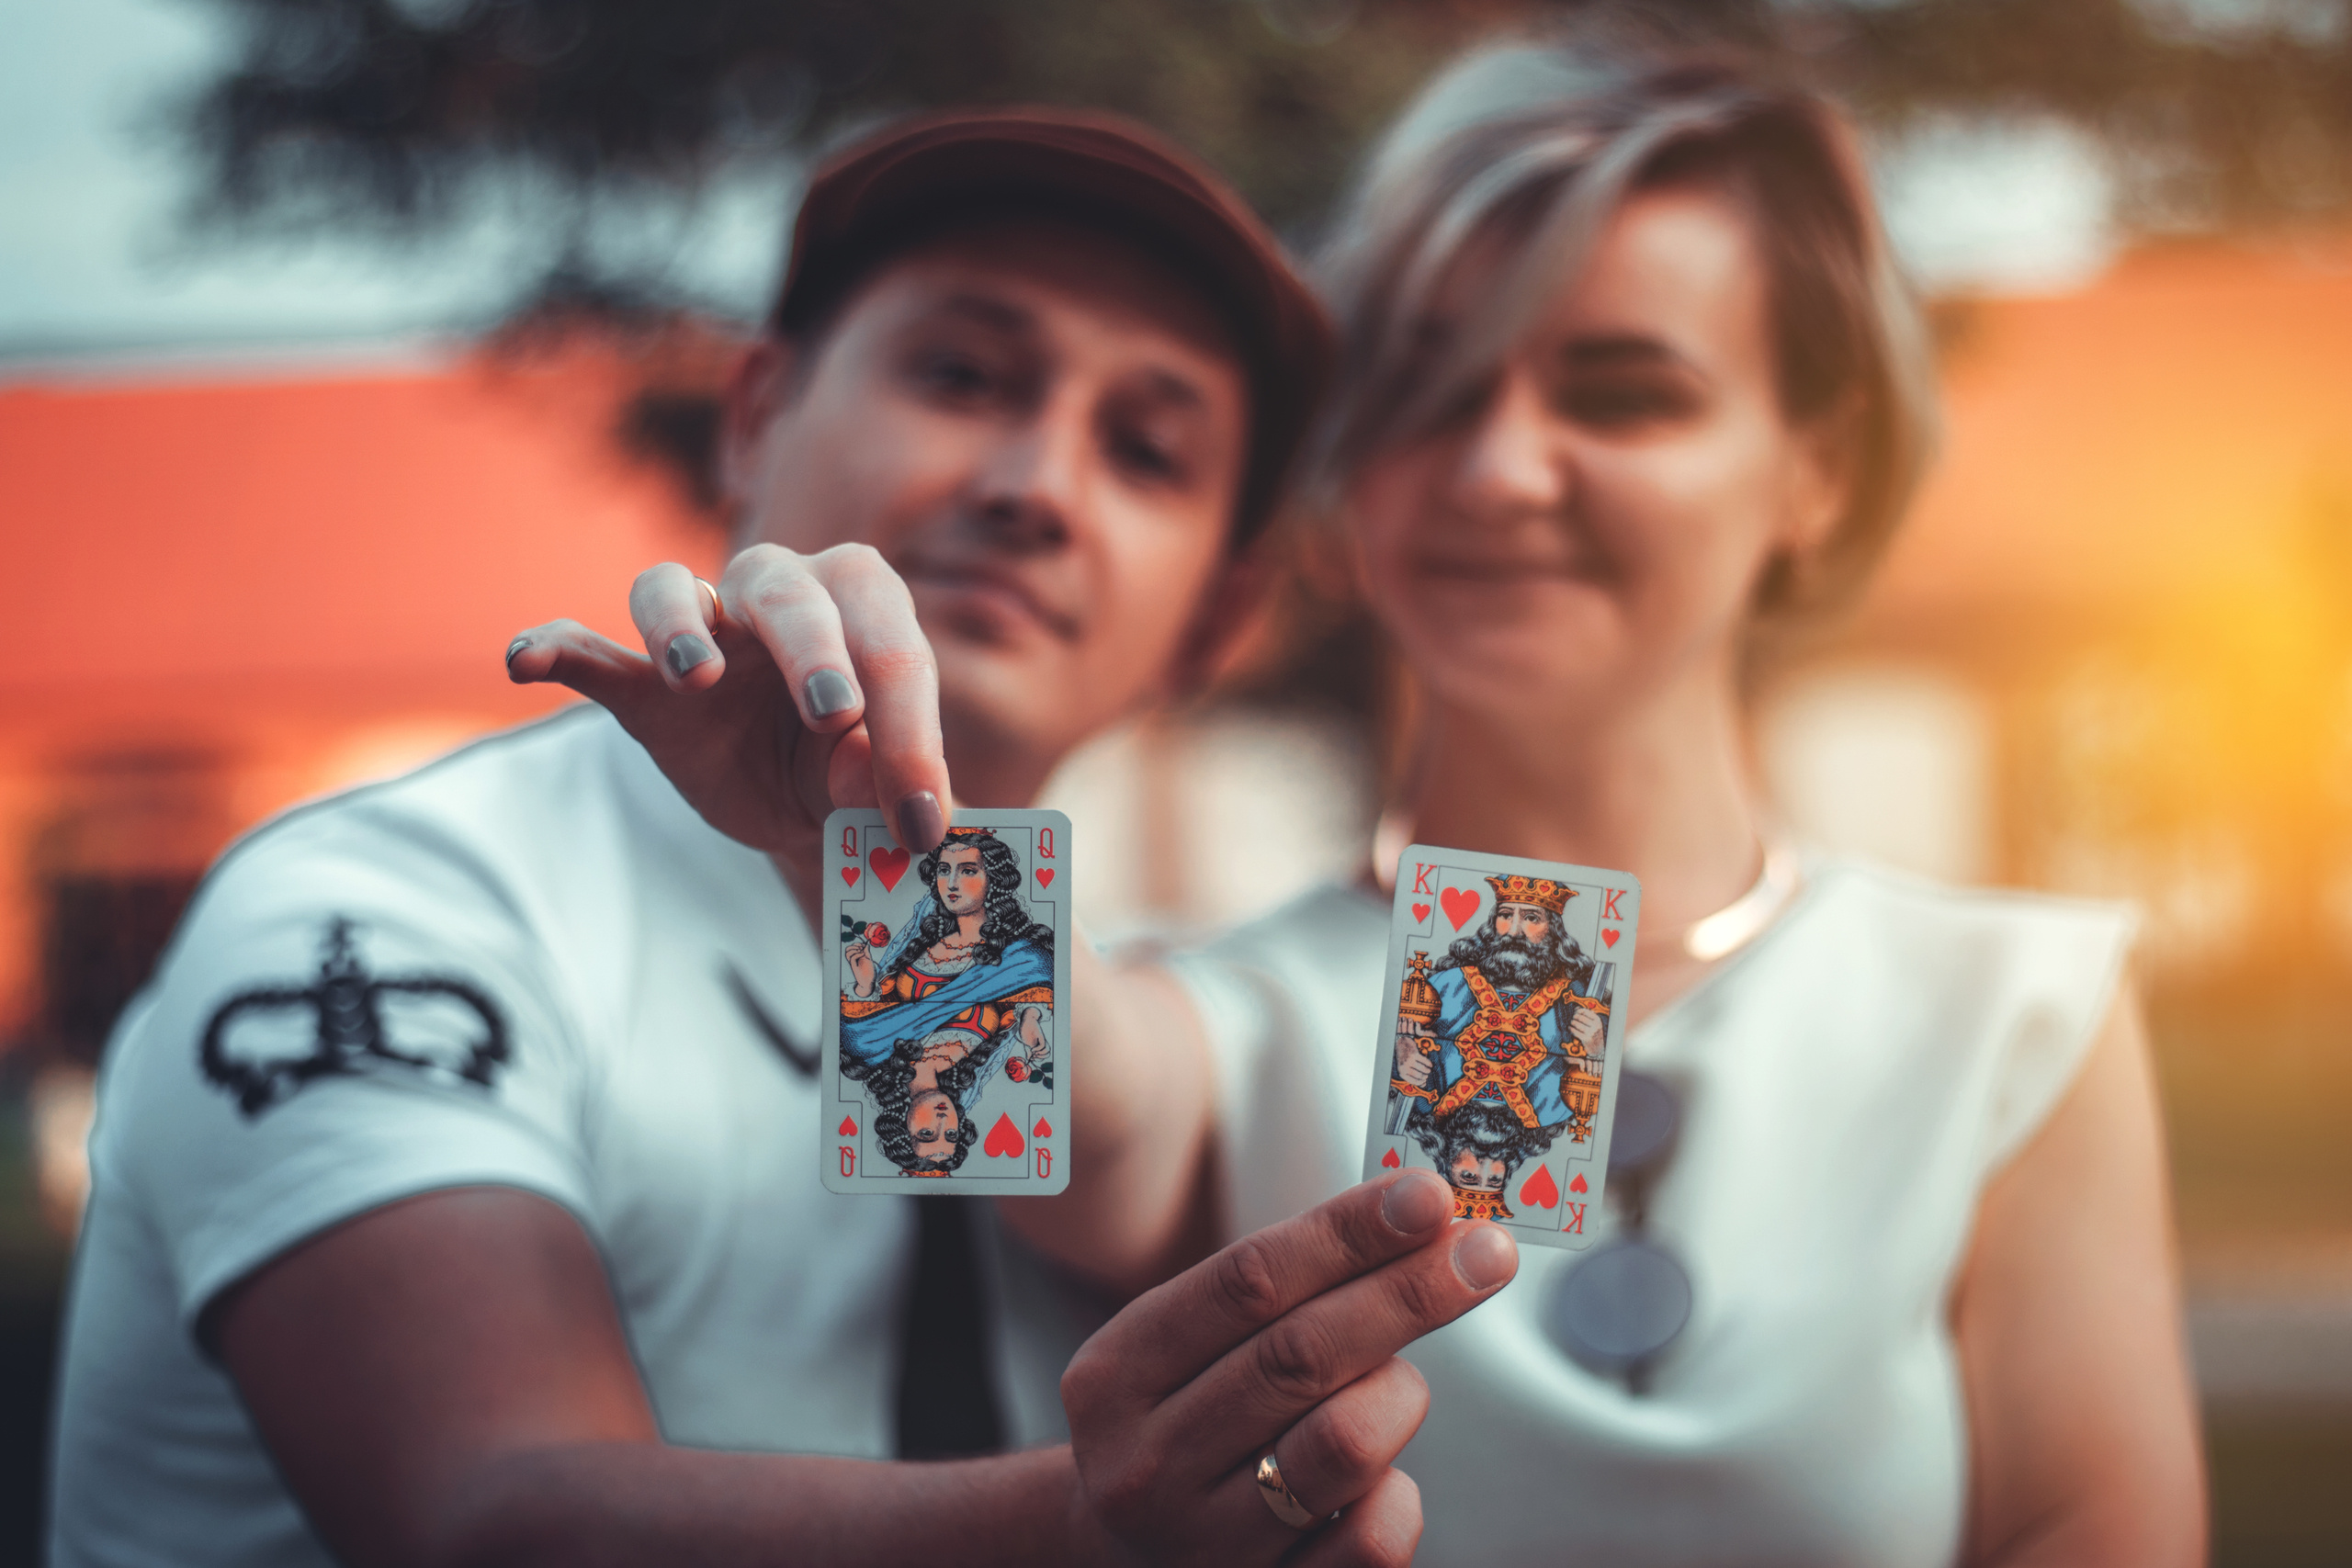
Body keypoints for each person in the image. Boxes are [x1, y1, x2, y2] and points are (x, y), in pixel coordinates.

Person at [47, 107, 1522, 1567]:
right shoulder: (397, 902)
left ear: (1218, 615)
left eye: (1146, 449)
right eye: (959, 372)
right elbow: (486, 1515)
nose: (1035, 485)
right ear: (753, 416)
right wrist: (1075, 1533)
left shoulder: (1209, 979)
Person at [1157, 37, 2206, 1566]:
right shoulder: (1200, 1010)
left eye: (1625, 394)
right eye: (1435, 391)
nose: (1502, 468)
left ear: (1817, 471)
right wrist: (902, 785)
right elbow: (965, 1095)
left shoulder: (2009, 1009)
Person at [840, 825, 1057, 1173]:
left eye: (968, 870)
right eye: (944, 870)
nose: (952, 883)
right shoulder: (925, 943)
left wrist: (865, 989)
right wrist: (1029, 1018)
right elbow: (1019, 993)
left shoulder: (869, 1053)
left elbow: (858, 1030)